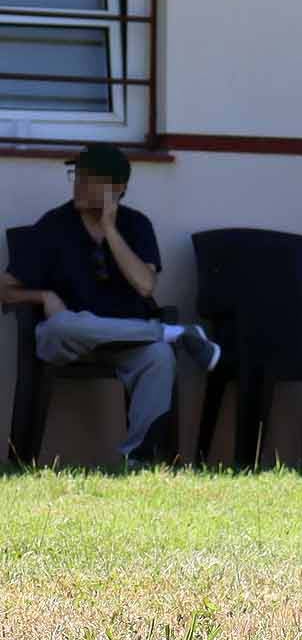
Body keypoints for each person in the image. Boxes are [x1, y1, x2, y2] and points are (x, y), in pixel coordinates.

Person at [0, 144, 220, 466]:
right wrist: (44, 297)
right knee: (62, 323)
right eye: (77, 175)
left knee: (158, 357)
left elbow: (145, 285)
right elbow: (5, 289)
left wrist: (109, 229)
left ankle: (139, 460)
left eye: (88, 178)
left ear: (116, 188)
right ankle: (172, 333)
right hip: (67, 338)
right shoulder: (54, 225)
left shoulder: (136, 225)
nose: (78, 184)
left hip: (125, 343)